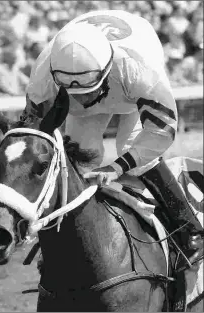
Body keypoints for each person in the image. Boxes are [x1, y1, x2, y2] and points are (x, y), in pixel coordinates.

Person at [23, 10, 203, 271]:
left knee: (132, 151)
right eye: (76, 92)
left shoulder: (139, 69)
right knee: (79, 159)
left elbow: (161, 129)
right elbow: (35, 135)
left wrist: (117, 167)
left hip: (129, 79)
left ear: (107, 70)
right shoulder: (42, 75)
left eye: (89, 91)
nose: (83, 98)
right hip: (96, 78)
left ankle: (190, 230)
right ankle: (63, 240)